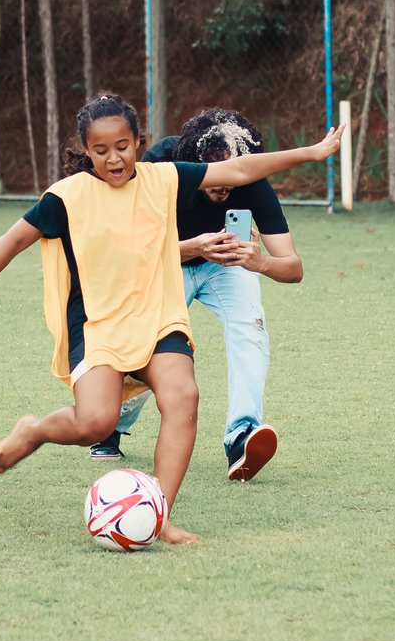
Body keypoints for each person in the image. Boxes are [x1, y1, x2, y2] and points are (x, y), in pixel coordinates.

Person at [0, 93, 343, 544]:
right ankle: (37, 429)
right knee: (96, 424)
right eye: (99, 151)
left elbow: (238, 171)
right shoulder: (67, 197)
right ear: (86, 151)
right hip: (99, 323)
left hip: (157, 316)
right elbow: (13, 239)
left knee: (183, 397)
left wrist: (312, 153)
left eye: (121, 146)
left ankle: (159, 515)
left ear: (139, 142)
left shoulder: (164, 178)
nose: (113, 158)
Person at [89, 108, 303, 482]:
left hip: (225, 266)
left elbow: (293, 268)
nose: (224, 186)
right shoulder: (162, 164)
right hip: (166, 262)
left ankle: (241, 435)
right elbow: (130, 247)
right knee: (145, 345)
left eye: (232, 176)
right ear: (194, 162)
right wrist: (194, 247)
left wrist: (259, 262)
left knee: (250, 329)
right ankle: (110, 422)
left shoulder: (251, 181)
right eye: (214, 175)